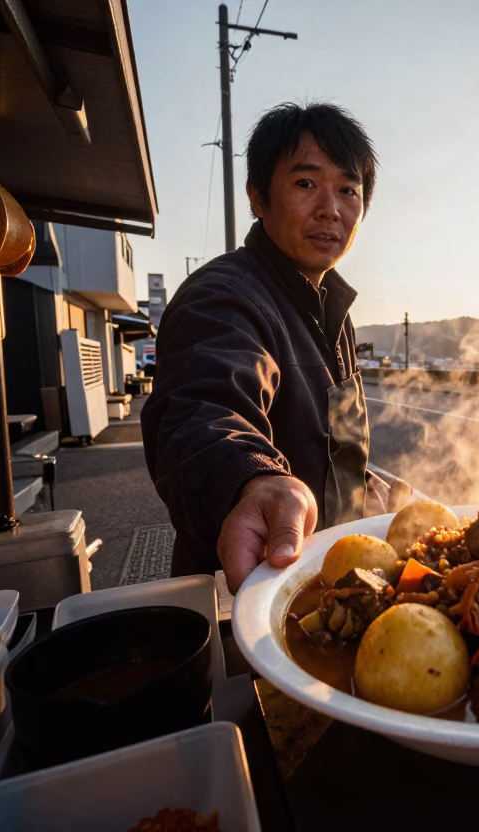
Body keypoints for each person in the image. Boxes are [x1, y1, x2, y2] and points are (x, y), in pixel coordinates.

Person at [142, 102, 393, 592]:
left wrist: (362, 487)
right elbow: (201, 408)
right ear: (258, 197)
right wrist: (253, 481)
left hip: (325, 579)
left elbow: (333, 440)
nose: (331, 209)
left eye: (348, 190)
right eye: (306, 183)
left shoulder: (331, 308)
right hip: (248, 586)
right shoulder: (223, 296)